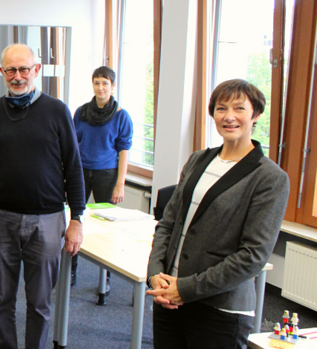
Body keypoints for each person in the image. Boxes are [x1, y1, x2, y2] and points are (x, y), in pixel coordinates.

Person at [146, 79, 289, 348]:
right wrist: (156, 274)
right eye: (221, 108)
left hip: (219, 308)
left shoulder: (269, 177)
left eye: (239, 108)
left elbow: (253, 256)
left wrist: (185, 289)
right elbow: (169, 223)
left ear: (256, 114)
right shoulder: (198, 159)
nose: (229, 116)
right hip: (168, 298)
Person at [0, 43, 85, 349]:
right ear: (2, 72)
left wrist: (77, 219)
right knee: (2, 301)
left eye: (23, 69)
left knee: (40, 303)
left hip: (47, 222)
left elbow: (74, 167)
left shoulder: (57, 111)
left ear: (36, 71)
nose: (17, 77)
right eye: (10, 70)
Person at [71, 66, 133, 289]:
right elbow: (72, 144)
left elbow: (123, 150)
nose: (100, 87)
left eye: (105, 83)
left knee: (107, 227)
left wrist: (120, 184)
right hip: (80, 172)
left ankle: (104, 279)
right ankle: (71, 270)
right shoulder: (81, 112)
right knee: (74, 220)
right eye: (97, 82)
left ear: (113, 87)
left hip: (107, 175)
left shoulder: (120, 116)